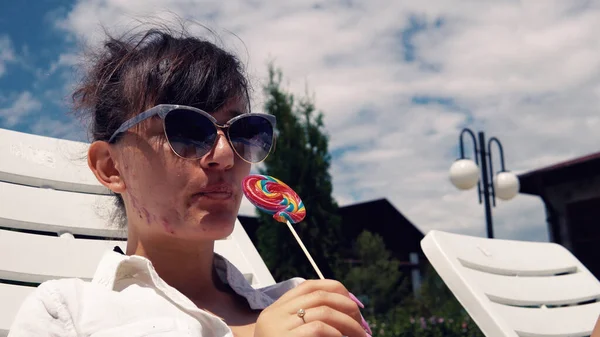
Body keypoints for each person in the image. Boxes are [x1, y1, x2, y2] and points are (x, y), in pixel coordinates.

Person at [8, 25, 371, 337]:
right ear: (110, 167)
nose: (225, 155)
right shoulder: (67, 314)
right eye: (186, 130)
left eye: (244, 131)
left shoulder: (302, 304)